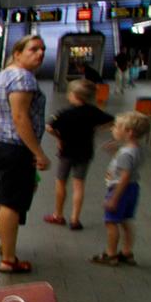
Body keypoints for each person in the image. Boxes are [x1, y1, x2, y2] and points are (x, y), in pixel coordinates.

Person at [0, 34, 48, 273]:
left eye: (43, 49)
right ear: (17, 54)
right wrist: (39, 153)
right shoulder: (23, 79)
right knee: (11, 204)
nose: (40, 53)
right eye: (33, 49)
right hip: (13, 147)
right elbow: (20, 117)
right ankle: (8, 259)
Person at [43, 79, 112, 230]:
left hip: (66, 152)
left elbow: (48, 127)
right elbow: (112, 121)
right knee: (79, 184)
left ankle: (58, 215)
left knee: (61, 182)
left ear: (74, 95)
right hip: (85, 152)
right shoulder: (94, 112)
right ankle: (75, 219)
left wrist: (58, 137)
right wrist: (97, 129)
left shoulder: (65, 113)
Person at [91, 111, 148, 265]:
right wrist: (117, 151)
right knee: (125, 220)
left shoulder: (125, 154)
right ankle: (127, 251)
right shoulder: (138, 148)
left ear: (129, 132)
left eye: (116, 127)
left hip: (119, 190)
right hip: (133, 189)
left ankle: (111, 254)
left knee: (111, 222)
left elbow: (124, 176)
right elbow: (130, 164)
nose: (112, 129)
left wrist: (114, 198)